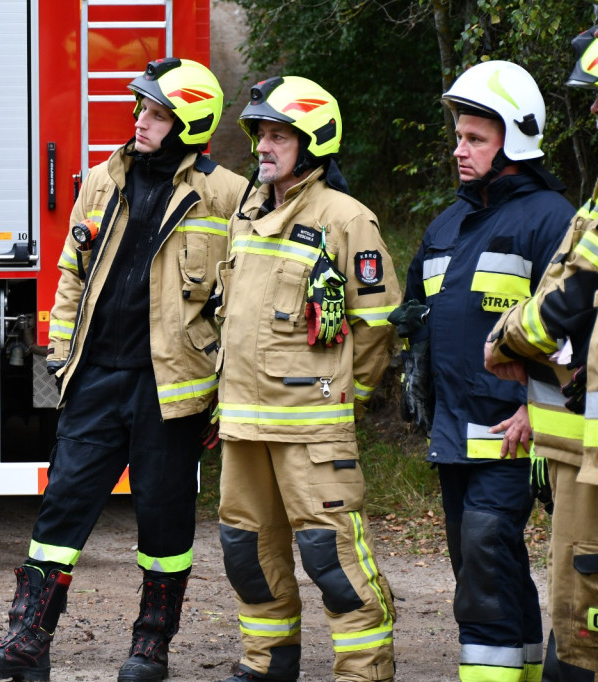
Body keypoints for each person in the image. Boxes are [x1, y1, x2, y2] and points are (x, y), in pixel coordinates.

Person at [0, 57, 247, 682]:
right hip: (95, 378)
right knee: (60, 511)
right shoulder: (100, 180)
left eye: (156, 114)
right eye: (141, 109)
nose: (141, 121)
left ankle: (151, 648)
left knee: (164, 520)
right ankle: (26, 644)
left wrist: (222, 396)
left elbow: (237, 305)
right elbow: (69, 275)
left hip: (172, 390)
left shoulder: (228, 195)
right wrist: (60, 365)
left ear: (189, 124)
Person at [215, 75, 399, 682]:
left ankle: (363, 671)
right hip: (244, 424)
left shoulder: (347, 219)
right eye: (260, 134)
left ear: (314, 140)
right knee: (247, 552)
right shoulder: (248, 213)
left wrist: (350, 402)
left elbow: (376, 327)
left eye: (277, 135)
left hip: (313, 431)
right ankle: (267, 664)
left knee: (333, 558)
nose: (263, 146)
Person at [400, 60, 575, 682]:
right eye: (459, 137)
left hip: (513, 429)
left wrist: (538, 405)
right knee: (479, 560)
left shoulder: (552, 218)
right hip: (454, 429)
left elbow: (576, 328)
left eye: (476, 138)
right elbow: (424, 312)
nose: (460, 150)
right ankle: (523, 666)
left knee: (483, 546)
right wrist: (411, 360)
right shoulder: (448, 223)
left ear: (516, 141)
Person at [484, 29, 598, 681]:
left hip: (587, 455)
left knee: (581, 633)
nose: (591, 112)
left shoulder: (553, 210)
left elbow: (568, 296)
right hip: (572, 447)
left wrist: (505, 340)